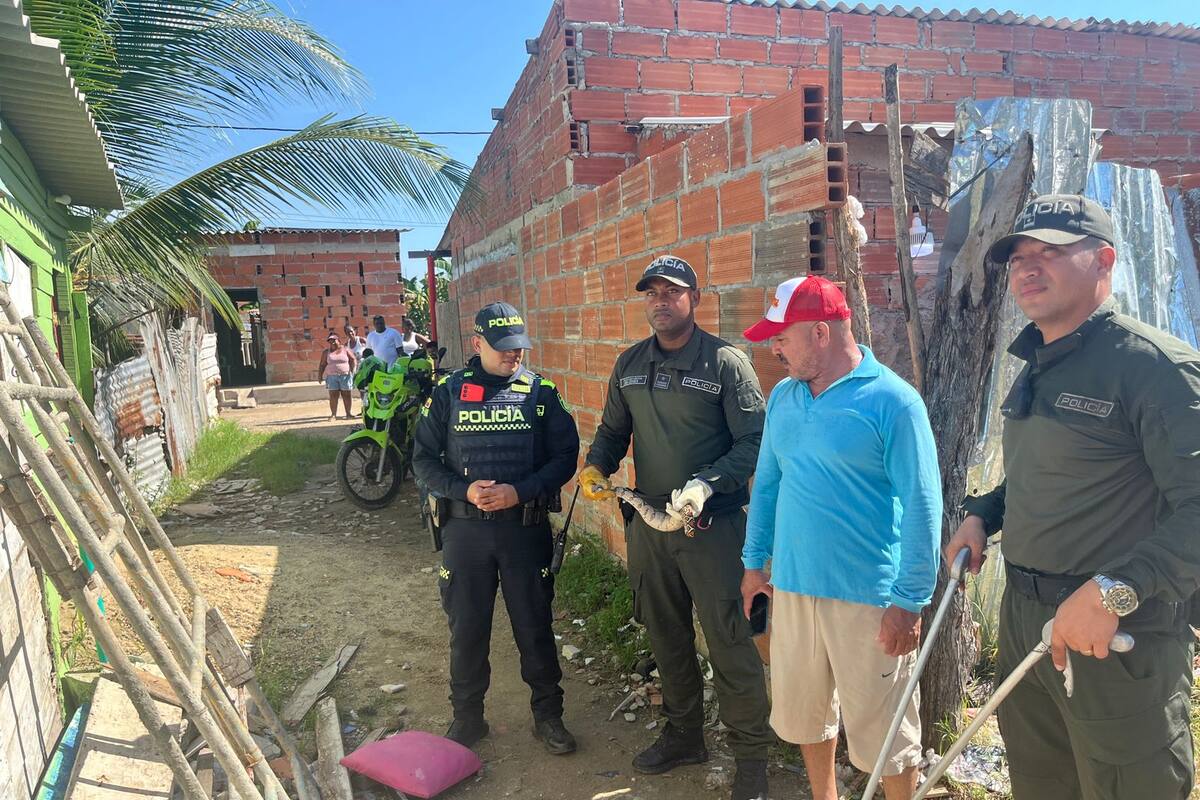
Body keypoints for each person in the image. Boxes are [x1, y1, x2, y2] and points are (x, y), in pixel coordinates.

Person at [944, 194, 1200, 799]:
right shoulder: (1042, 358)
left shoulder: (1155, 369)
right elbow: (1049, 471)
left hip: (1112, 637)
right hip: (1028, 621)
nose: (1029, 268)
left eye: (1052, 252)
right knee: (1043, 784)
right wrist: (985, 511)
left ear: (1104, 260)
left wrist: (1116, 589)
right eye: (1019, 257)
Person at [579, 255, 773, 800]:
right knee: (666, 635)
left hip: (711, 529)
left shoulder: (725, 363)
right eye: (652, 293)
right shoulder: (630, 363)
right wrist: (597, 466)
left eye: (672, 292)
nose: (661, 301)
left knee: (731, 641)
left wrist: (709, 482)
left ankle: (752, 759)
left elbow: (755, 442)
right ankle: (686, 735)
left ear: (694, 298)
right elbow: (614, 432)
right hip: (650, 527)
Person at [739, 276, 941, 800]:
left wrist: (910, 600)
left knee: (886, 735)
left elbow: (923, 506)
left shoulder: (894, 403)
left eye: (783, 336)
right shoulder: (784, 397)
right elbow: (768, 484)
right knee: (806, 715)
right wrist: (753, 565)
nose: (774, 346)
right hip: (793, 586)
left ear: (822, 333)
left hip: (868, 599)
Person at [412, 301, 581, 755]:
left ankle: (549, 716)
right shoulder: (448, 392)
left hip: (522, 531)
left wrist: (520, 491)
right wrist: (462, 490)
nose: (514, 356)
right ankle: (467, 719)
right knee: (467, 630)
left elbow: (566, 456)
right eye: (503, 348)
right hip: (465, 534)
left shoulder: (540, 392)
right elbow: (423, 459)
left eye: (520, 348)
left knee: (535, 627)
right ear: (477, 344)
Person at [318, 332, 357, 420]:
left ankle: (348, 414)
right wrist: (319, 376)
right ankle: (333, 414)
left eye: (334, 340)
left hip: (345, 376)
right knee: (333, 395)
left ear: (338, 340)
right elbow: (322, 364)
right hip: (332, 377)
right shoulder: (326, 352)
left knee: (346, 395)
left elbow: (353, 359)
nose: (332, 342)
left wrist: (353, 370)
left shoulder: (345, 349)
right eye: (330, 340)